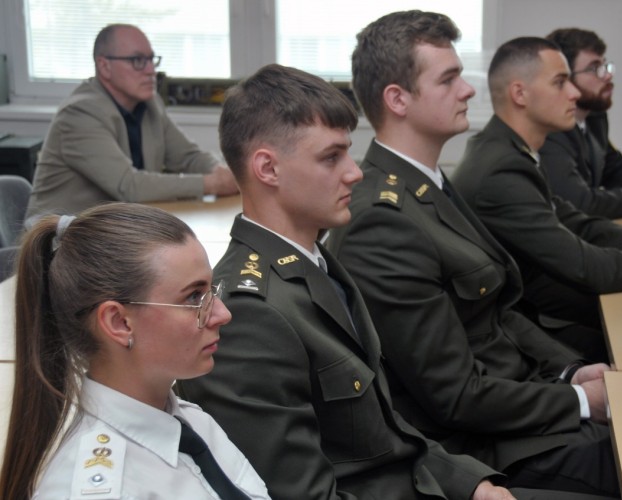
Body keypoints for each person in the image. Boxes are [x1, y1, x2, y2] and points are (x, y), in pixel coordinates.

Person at [176, 63, 535, 500]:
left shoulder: (316, 263)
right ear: (268, 169)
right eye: (331, 157)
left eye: (348, 153)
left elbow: (385, 427)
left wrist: (471, 483)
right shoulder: (249, 313)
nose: (355, 172)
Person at [325, 11, 619, 497]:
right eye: (448, 79)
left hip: (521, 407)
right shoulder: (381, 220)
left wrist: (571, 372)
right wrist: (580, 401)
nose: (467, 90)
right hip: (486, 449)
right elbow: (455, 398)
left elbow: (497, 312)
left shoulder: (427, 185)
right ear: (398, 99)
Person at [0, 203, 269, 499]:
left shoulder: (191, 421)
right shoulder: (102, 489)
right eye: (194, 297)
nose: (222, 314)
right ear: (119, 323)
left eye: (210, 291)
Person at [452, 37, 622, 336]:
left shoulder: (509, 150)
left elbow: (574, 221)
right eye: (560, 82)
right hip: (522, 329)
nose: (574, 92)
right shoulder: (501, 170)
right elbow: (584, 266)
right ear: (520, 94)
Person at [25, 24, 238, 221]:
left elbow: (187, 157)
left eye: (151, 60)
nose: (150, 70)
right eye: (137, 60)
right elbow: (128, 186)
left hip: (113, 231)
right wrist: (212, 184)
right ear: (104, 66)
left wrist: (224, 172)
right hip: (57, 239)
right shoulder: (79, 114)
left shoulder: (150, 103)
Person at [536, 28, 622, 219]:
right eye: (593, 68)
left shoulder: (595, 117)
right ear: (564, 77)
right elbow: (580, 203)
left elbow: (613, 166)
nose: (607, 75)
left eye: (605, 65)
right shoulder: (549, 129)